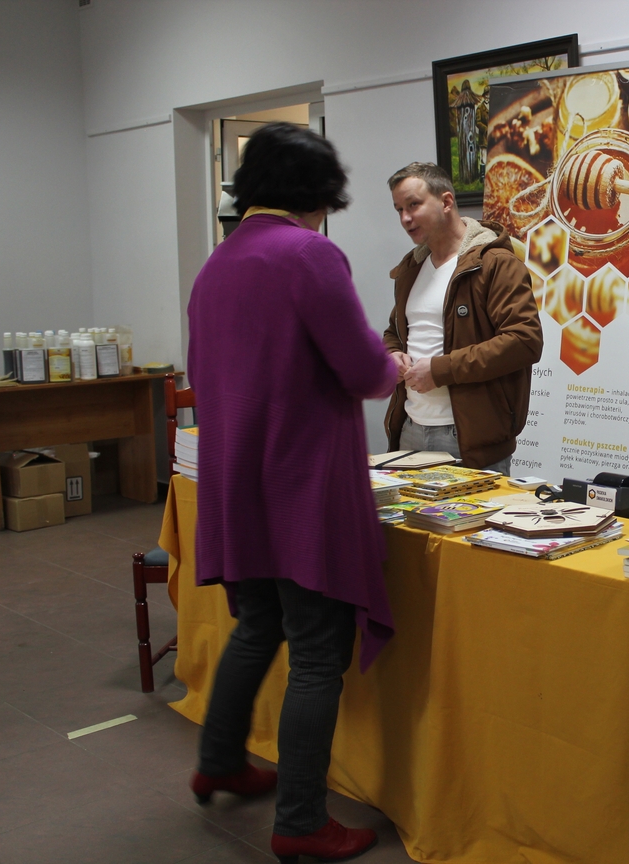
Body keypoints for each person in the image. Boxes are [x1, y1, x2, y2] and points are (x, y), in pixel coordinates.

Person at [186, 122, 398, 863]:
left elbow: (208, 375)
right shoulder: (308, 254)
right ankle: (302, 820)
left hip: (236, 482)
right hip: (300, 485)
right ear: (316, 193)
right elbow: (363, 370)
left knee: (257, 626)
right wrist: (396, 365)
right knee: (316, 652)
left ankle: (219, 760)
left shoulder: (216, 266)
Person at [384, 162, 542, 473]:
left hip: (469, 438)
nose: (405, 218)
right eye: (399, 209)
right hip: (410, 429)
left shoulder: (495, 263)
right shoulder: (411, 268)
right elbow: (395, 332)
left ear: (446, 202)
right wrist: (391, 354)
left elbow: (524, 341)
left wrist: (441, 370)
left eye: (413, 205)